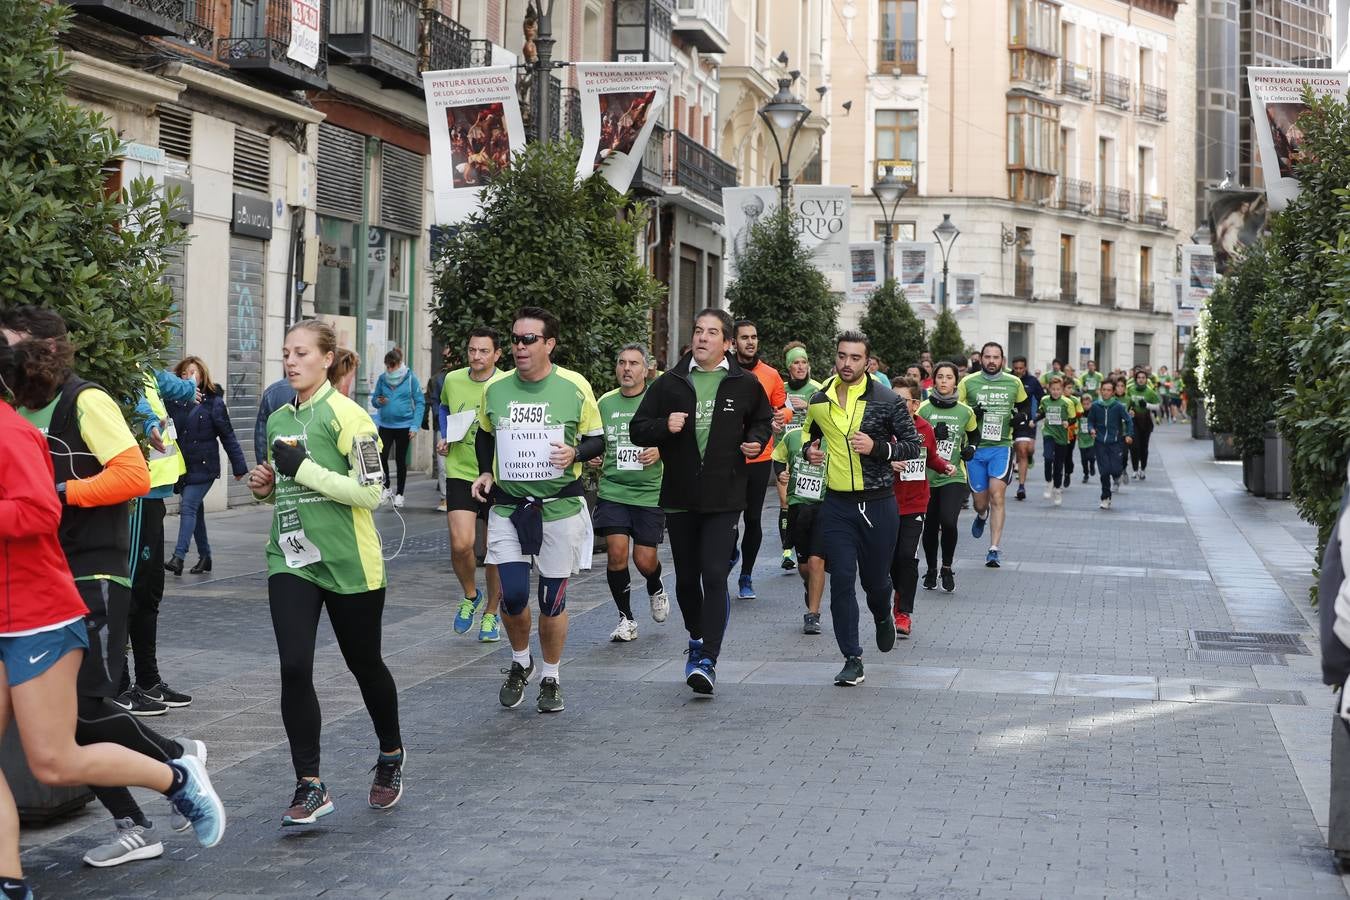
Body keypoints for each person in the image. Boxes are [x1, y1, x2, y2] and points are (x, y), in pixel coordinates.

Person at [0, 337, 226, 891]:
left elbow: (49, 503)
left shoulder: (23, 424)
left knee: (58, 753)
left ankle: (174, 775)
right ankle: (9, 882)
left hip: (45, 606)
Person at [246, 319, 405, 825]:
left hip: (349, 562)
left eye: (300, 353)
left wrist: (301, 469)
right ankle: (310, 783)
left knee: (365, 664)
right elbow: (282, 489)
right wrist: (265, 486)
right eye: (285, 353)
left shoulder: (351, 418)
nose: (290, 362)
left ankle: (390, 754)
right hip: (291, 558)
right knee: (294, 666)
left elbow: (370, 492)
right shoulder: (276, 419)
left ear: (326, 358)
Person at [631, 309, 772, 695]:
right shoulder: (670, 382)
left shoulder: (744, 383)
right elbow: (638, 428)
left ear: (727, 343)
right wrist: (665, 427)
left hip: (724, 496)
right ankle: (696, 636)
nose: (703, 338)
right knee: (688, 581)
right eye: (698, 331)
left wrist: (756, 441)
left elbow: (762, 420)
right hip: (679, 497)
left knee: (713, 575)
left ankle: (708, 657)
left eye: (712, 333)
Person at [471, 308, 603, 714]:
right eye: (515, 339)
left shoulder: (574, 386)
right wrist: (484, 472)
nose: (519, 347)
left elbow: (597, 441)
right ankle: (519, 660)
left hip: (559, 508)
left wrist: (576, 452)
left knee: (552, 600)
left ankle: (551, 675)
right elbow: (485, 435)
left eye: (529, 339)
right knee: (511, 596)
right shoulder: (496, 390)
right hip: (509, 508)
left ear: (549, 344)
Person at [802, 331, 921, 687]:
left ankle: (883, 614)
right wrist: (810, 451)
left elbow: (912, 446)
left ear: (867, 362)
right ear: (835, 357)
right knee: (842, 581)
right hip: (837, 505)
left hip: (879, 503)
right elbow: (809, 435)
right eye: (842, 356)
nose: (847, 364)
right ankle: (852, 657)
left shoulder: (886, 400)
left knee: (875, 583)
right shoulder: (819, 399)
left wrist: (877, 447)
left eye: (855, 358)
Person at [117, 366, 196, 718]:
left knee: (149, 592)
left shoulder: (143, 366)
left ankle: (148, 680)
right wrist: (149, 423)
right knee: (128, 592)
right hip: (137, 494)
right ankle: (118, 685)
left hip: (155, 494)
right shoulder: (124, 367)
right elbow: (136, 405)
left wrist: (190, 386)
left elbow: (167, 383)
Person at [590, 344, 670, 642]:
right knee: (617, 554)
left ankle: (655, 584)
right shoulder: (606, 403)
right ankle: (626, 618)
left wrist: (661, 450)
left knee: (644, 560)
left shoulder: (658, 402)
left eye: (634, 363)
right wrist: (595, 454)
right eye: (622, 362)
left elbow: (681, 438)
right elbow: (595, 439)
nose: (627, 368)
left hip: (650, 492)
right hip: (614, 489)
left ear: (646, 369)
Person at [438, 328, 505, 642]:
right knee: (461, 544)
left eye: (483, 351)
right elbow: (443, 407)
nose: (476, 356)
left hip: (498, 475)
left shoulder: (506, 384)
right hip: (460, 471)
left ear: (496, 354)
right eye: (472, 350)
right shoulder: (452, 380)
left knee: (494, 551)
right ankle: (470, 595)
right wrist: (444, 435)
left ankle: (491, 612)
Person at [164, 357, 248, 577]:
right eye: (184, 373)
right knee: (195, 511)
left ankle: (178, 557)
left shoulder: (214, 403)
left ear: (202, 375)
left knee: (188, 506)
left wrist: (239, 466)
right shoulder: (174, 401)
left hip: (204, 466)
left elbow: (227, 435)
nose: (189, 376)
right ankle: (205, 557)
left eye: (194, 372)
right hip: (184, 468)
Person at [728, 320, 790, 601]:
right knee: (728, 518)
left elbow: (784, 407)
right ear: (733, 342)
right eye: (744, 337)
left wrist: (781, 418)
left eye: (753, 337)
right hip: (727, 457)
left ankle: (746, 575)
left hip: (760, 456)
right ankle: (730, 552)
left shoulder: (771, 375)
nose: (750, 342)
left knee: (752, 519)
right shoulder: (723, 372)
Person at [889, 377, 955, 639]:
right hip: (883, 502)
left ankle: (903, 612)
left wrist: (944, 466)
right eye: (891, 399)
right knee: (887, 560)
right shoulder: (881, 427)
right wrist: (887, 463)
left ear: (915, 404)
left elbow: (931, 456)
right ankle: (892, 596)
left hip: (915, 502)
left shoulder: (924, 428)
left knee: (907, 556)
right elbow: (866, 455)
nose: (894, 404)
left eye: (901, 400)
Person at [959, 342, 1030, 568]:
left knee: (997, 496)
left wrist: (1023, 418)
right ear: (980, 359)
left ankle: (994, 549)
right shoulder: (968, 382)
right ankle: (981, 516)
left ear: (1003, 360)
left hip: (1002, 446)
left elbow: (1025, 406)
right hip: (975, 449)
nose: (991, 361)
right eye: (987, 357)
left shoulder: (1014, 382)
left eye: (996, 357)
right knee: (980, 503)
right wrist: (971, 412)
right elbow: (956, 409)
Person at [917, 361, 977, 595]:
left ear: (955, 381)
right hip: (927, 476)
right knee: (930, 526)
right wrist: (931, 435)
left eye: (949, 377)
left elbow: (974, 434)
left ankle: (947, 567)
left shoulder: (965, 411)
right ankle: (931, 568)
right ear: (934, 380)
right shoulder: (923, 409)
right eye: (940, 377)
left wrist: (971, 448)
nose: (944, 381)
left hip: (953, 474)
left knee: (949, 522)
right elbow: (911, 436)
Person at [771, 410, 826, 635]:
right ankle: (809, 584)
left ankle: (812, 614)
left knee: (816, 561)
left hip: (826, 506)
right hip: (798, 506)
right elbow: (778, 457)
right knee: (804, 566)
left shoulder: (836, 439)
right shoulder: (793, 436)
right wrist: (781, 475)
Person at [777, 342, 819, 571]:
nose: (801, 366)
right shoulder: (780, 389)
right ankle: (786, 552)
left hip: (811, 452)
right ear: (789, 367)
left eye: (804, 362)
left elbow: (829, 417)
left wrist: (808, 406)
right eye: (796, 362)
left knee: (805, 504)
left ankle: (812, 547)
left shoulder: (816, 388)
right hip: (785, 451)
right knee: (785, 501)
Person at [370, 348, 423, 509]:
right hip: (385, 425)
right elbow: (374, 400)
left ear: (399, 364)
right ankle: (386, 488)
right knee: (382, 456)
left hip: (404, 426)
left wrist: (415, 425)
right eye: (387, 366)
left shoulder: (410, 379)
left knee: (400, 460)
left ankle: (400, 494)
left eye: (392, 366)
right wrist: (379, 402)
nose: (389, 369)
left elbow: (420, 402)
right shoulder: (382, 379)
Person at [1084, 378, 1133, 510]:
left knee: (1116, 470)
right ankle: (1105, 497)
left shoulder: (1118, 407)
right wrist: (1091, 429)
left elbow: (1128, 421)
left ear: (1113, 392)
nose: (1106, 392)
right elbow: (1090, 422)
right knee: (1104, 472)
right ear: (1100, 391)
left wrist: (1129, 434)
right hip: (1100, 443)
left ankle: (1119, 473)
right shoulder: (1095, 406)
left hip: (1115, 443)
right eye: (1104, 390)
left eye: (1109, 390)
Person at [1036, 376, 1078, 506]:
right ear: (1049, 389)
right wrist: (1034, 419)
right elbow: (1041, 412)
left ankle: (1057, 489)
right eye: (1053, 389)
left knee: (1059, 465)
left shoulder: (1067, 402)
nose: (1055, 392)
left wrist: (1068, 422)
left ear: (1062, 390)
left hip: (1062, 436)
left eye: (1058, 389)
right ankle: (1049, 482)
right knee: (1048, 458)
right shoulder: (1044, 400)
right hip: (1048, 433)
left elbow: (1073, 418)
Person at [1010, 356, 1044, 503]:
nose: (1018, 371)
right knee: (1022, 451)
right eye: (1016, 368)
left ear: (1025, 367)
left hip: (1027, 421)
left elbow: (1044, 400)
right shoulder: (1008, 379)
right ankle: (1021, 487)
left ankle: (1022, 482)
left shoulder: (1032, 381)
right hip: (1009, 420)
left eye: (1021, 368)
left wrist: (1036, 417)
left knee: (1027, 450)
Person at [426, 348, 453, 512]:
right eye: (445, 357)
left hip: (460, 426)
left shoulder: (461, 378)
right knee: (443, 465)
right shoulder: (437, 379)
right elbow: (435, 402)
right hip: (443, 427)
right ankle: (444, 498)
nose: (447, 360)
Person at [1125, 370, 1159, 480]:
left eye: (1143, 377)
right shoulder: (1130, 390)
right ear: (1136, 379)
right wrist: (1129, 410)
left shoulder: (1150, 392)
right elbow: (1127, 403)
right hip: (1134, 420)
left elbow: (1158, 406)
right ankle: (1135, 470)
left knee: (1144, 447)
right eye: (1139, 377)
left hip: (1146, 421)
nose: (1141, 379)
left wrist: (1147, 405)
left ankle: (1143, 469)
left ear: (1146, 379)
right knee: (1134, 446)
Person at [1077, 393, 1098, 483]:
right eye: (1084, 404)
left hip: (1091, 439)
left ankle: (1092, 465)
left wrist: (1095, 431)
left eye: (1088, 404)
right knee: (1084, 459)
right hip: (1082, 439)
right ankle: (1086, 474)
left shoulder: (1094, 413)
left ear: (1091, 404)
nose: (1086, 406)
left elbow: (1098, 424)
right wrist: (1076, 433)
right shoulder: (1080, 414)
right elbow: (1076, 424)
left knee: (1091, 456)